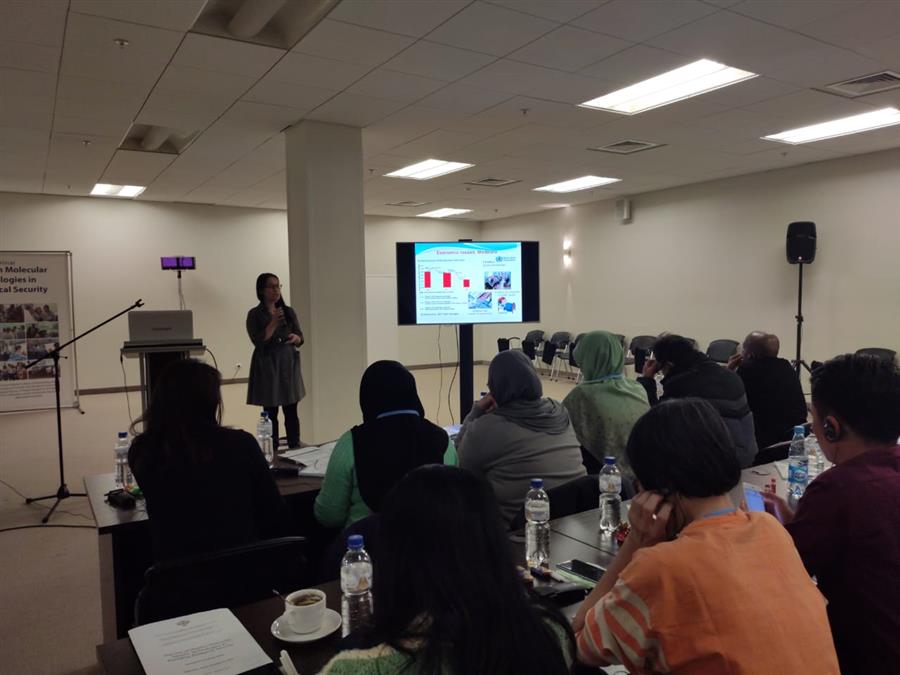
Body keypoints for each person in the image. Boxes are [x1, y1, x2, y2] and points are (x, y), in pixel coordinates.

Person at [573, 398, 839, 674]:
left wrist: (637, 541)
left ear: (655, 490)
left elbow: (577, 643)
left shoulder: (661, 567)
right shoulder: (770, 529)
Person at [318, 465, 574, 675]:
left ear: (393, 561)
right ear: (494, 545)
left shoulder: (351, 669)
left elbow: (326, 513)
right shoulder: (550, 635)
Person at [763, 354, 900, 675]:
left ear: (831, 427)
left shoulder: (838, 488)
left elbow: (785, 573)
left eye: (813, 418)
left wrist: (766, 531)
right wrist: (800, 522)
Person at [129, 359, 288, 561]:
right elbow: (275, 513)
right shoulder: (241, 444)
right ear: (211, 402)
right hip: (244, 570)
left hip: (175, 574)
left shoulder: (142, 452)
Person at [314, 360, 457, 529]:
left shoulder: (351, 442)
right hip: (433, 543)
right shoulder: (443, 442)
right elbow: (453, 506)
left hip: (365, 544)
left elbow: (329, 516)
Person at [456, 349, 585, 527]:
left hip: (520, 531)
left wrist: (476, 411)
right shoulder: (559, 411)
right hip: (574, 521)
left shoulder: (488, 426)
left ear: (494, 387)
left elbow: (459, 465)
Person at [638, 334, 758, 467]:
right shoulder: (731, 375)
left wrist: (647, 380)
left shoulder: (681, 384)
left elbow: (655, 419)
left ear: (669, 365)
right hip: (747, 455)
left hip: (718, 463)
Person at [562, 331, 649, 471]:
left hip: (609, 475)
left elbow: (560, 430)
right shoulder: (637, 387)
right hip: (645, 470)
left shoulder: (582, 395)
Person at [246, 273, 305, 449]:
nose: (276, 290)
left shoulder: (288, 311)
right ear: (261, 291)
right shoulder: (254, 314)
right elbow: (259, 341)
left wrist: (296, 338)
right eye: (271, 286)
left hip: (288, 364)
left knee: (291, 410)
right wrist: (273, 322)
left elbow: (300, 337)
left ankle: (294, 448)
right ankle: (273, 451)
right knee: (270, 412)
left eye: (278, 286)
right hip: (268, 365)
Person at [727, 331, 807, 454]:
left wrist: (729, 371)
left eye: (743, 348)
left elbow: (726, 398)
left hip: (763, 444)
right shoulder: (787, 367)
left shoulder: (746, 370)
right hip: (793, 439)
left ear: (750, 354)